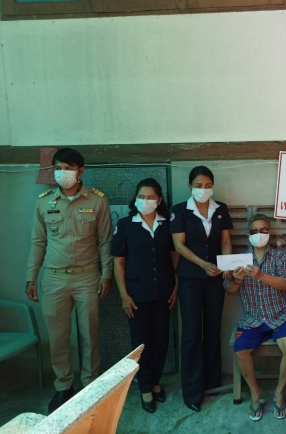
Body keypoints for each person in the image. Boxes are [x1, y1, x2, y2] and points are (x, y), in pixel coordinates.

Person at [25, 147, 113, 413]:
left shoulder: (97, 200)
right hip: (54, 279)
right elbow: (38, 242)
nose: (62, 173)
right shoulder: (44, 202)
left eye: (68, 168)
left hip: (87, 276)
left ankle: (90, 385)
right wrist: (31, 277)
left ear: (80, 171)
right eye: (58, 168)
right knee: (58, 337)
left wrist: (106, 274)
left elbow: (105, 241)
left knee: (90, 335)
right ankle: (63, 386)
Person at [111, 178, 179, 413]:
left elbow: (175, 257)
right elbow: (118, 263)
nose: (146, 201)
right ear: (135, 199)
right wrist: (123, 296)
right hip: (136, 294)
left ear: (159, 200)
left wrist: (176, 286)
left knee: (161, 339)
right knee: (141, 342)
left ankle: (155, 381)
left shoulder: (167, 224)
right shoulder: (125, 224)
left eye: (151, 197)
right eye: (142, 196)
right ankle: (145, 388)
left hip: (163, 292)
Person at [170, 166, 233, 412]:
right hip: (190, 279)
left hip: (215, 278)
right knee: (192, 332)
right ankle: (192, 390)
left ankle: (212, 380)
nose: (203, 189)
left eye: (208, 185)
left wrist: (226, 265)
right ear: (190, 186)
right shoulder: (180, 211)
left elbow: (225, 241)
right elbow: (179, 245)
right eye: (198, 185)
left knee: (214, 327)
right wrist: (203, 264)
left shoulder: (221, 209)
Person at [224, 214, 286, 421]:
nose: (259, 234)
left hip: (281, 314)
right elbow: (229, 290)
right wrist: (236, 280)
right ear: (248, 234)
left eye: (263, 230)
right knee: (240, 350)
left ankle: (279, 392)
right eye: (254, 231)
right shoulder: (239, 259)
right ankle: (255, 392)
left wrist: (260, 275)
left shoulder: (279, 256)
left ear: (270, 232)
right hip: (253, 317)